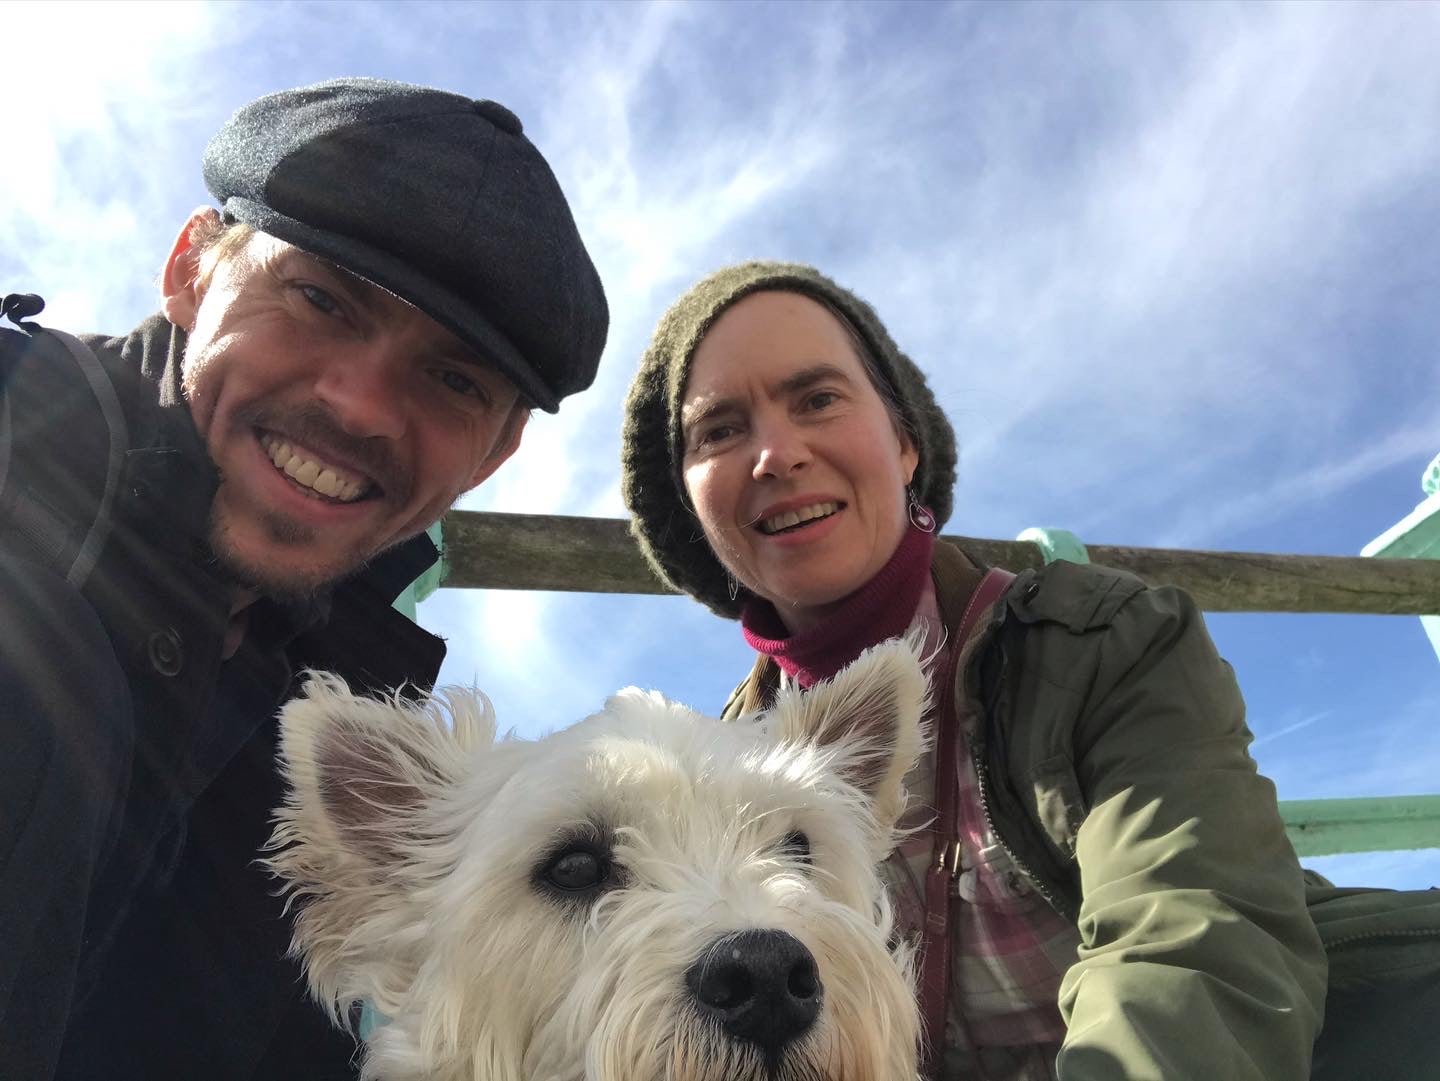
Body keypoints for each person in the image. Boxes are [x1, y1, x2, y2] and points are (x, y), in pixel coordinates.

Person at [621, 261, 1440, 1080]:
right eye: (719, 429)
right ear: (688, 500)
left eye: (818, 399)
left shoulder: (1103, 641)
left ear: (905, 443)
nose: (776, 452)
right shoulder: (721, 760)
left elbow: (1194, 944)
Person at [0, 78, 607, 1080]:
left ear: (491, 456)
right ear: (192, 269)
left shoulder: (357, 754)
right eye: (321, 298)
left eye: (453, 379)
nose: (363, 405)